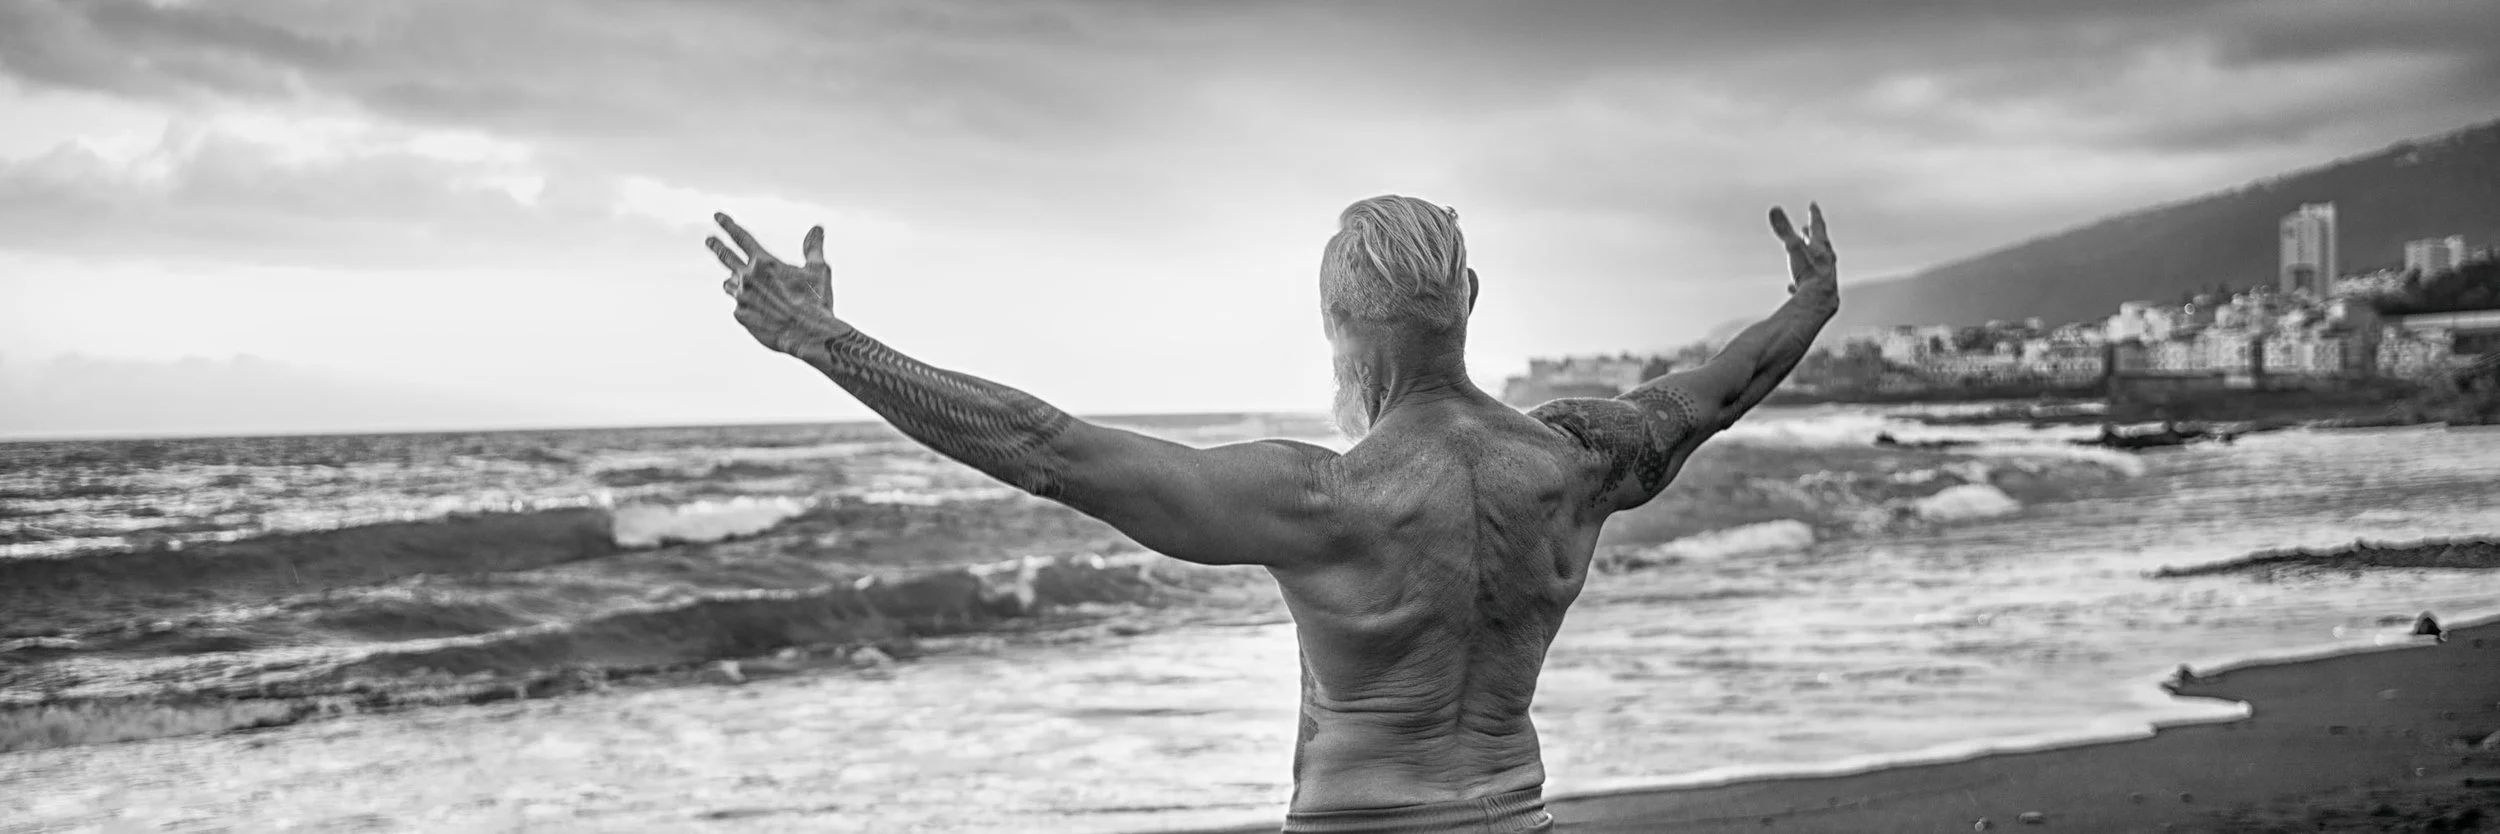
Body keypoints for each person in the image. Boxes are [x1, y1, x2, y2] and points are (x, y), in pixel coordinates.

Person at [704, 196, 1840, 834]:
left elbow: (1045, 448)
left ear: (1334, 322)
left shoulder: (1324, 499)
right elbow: (1719, 390)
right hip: (1516, 819)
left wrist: (823, 343)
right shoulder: (1575, 462)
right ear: (1473, 301)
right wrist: (1811, 299)